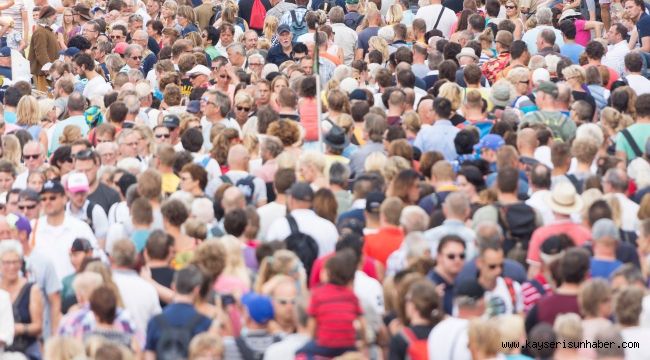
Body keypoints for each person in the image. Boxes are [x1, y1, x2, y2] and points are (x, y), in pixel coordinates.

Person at [296, 249, 365, 358]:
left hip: (325, 345)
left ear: (328, 273)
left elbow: (312, 322)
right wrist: (363, 344)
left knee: (300, 351)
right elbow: (362, 323)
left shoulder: (317, 294)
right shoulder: (352, 296)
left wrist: (313, 339)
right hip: (348, 345)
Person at [31, 180, 98, 283]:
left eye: (52, 198)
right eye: (43, 199)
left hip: (73, 290)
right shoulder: (33, 227)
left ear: (64, 199)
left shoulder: (80, 227)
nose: (47, 202)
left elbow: (95, 258)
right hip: (42, 291)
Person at [145, 265, 212, 360]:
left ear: (173, 286)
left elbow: (149, 355)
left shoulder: (155, 321)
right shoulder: (204, 322)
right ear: (197, 290)